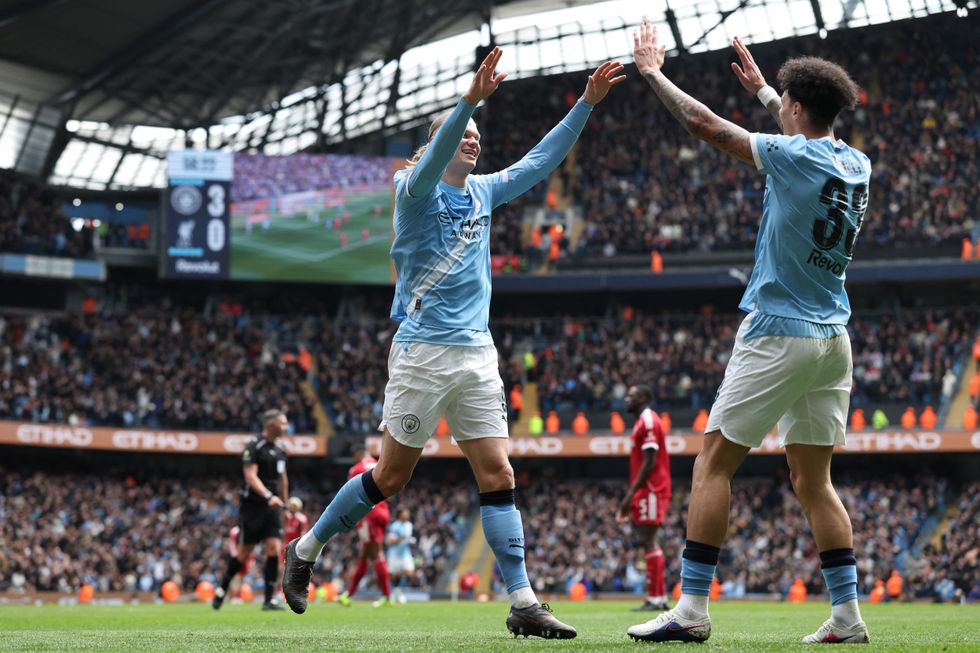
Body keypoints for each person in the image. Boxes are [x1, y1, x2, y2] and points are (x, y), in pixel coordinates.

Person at [283, 47, 625, 640]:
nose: (472, 140)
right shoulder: (412, 194)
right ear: (440, 140)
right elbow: (436, 153)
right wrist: (469, 100)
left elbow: (539, 163)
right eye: (461, 134)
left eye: (476, 134)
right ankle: (307, 547)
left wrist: (585, 106)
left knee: (498, 473)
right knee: (390, 478)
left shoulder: (484, 193)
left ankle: (522, 601)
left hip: (477, 355)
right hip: (424, 354)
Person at [626, 24, 871, 645]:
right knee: (814, 482)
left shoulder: (791, 156)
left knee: (713, 465)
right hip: (833, 340)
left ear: (796, 110)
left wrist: (654, 73)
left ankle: (690, 611)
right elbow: (807, 133)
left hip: (777, 330)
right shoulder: (856, 163)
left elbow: (707, 127)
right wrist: (768, 91)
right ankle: (847, 617)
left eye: (785, 105)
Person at [214, 409, 290, 611]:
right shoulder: (254, 447)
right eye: (283, 423)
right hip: (254, 507)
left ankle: (269, 598)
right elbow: (250, 476)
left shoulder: (282, 448)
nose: (286, 427)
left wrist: (285, 502)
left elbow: (282, 478)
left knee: (274, 548)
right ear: (271, 425)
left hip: (273, 507)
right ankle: (222, 588)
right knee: (244, 552)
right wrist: (268, 496)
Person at [616, 385, 671, 612]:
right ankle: (659, 597)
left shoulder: (648, 421)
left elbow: (649, 462)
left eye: (632, 395)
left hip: (651, 488)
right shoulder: (642, 421)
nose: (627, 399)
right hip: (648, 489)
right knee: (648, 541)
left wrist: (630, 495)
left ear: (644, 398)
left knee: (649, 540)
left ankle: (656, 599)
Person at [337, 448, 393, 607]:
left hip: (369, 514)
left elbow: (350, 494)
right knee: (364, 554)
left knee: (375, 554)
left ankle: (387, 596)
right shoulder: (379, 464)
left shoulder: (356, 469)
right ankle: (349, 594)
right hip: (383, 511)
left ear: (358, 454)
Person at [386, 508, 416, 603]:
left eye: (408, 513)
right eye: (405, 513)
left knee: (410, 573)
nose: (407, 515)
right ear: (400, 515)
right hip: (394, 554)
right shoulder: (395, 526)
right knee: (394, 575)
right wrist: (400, 538)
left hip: (405, 553)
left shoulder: (409, 525)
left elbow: (407, 537)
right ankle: (397, 592)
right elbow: (390, 541)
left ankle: (399, 591)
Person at [283, 497, 310, 562]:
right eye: (290, 504)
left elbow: (304, 534)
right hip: (285, 546)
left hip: (295, 548)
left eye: (294, 505)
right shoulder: (286, 517)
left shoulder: (302, 518)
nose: (291, 507)